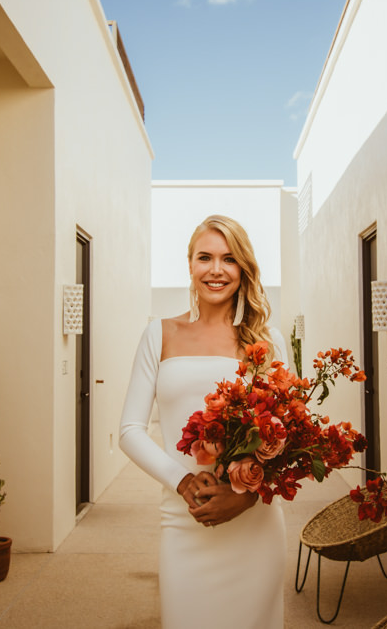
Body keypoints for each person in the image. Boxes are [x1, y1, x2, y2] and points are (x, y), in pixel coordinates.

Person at [119, 214, 288, 628]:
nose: (216, 270)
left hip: (254, 522)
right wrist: (182, 480)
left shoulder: (268, 341)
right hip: (184, 519)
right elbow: (129, 431)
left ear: (243, 268)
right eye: (205, 258)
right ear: (190, 266)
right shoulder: (158, 334)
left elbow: (288, 435)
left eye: (229, 259)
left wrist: (245, 496)